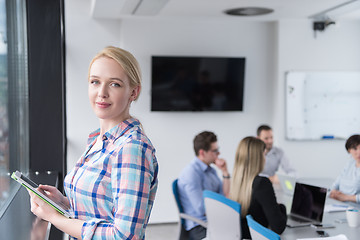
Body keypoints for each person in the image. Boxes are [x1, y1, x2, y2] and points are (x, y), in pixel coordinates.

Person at [27, 46, 159, 239]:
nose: (102, 92)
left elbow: (124, 236)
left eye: (114, 84)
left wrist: (54, 218)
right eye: (95, 82)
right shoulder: (98, 141)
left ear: (134, 92)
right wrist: (63, 203)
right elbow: (99, 212)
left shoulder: (131, 148)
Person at [229, 137, 287, 239]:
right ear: (257, 158)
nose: (265, 159)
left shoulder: (237, 181)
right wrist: (282, 207)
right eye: (264, 155)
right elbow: (278, 227)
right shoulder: (261, 183)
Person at [177, 131, 230, 240]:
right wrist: (224, 208)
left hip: (215, 220)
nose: (218, 153)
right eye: (215, 151)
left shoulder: (211, 170)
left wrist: (225, 172)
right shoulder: (191, 173)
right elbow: (201, 210)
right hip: (199, 226)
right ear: (202, 153)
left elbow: (225, 195)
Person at [330, 134, 360, 203]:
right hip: (340, 204)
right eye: (355, 149)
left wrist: (346, 197)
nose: (359, 152)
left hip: (356, 209)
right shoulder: (350, 163)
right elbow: (338, 181)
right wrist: (333, 191)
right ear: (349, 150)